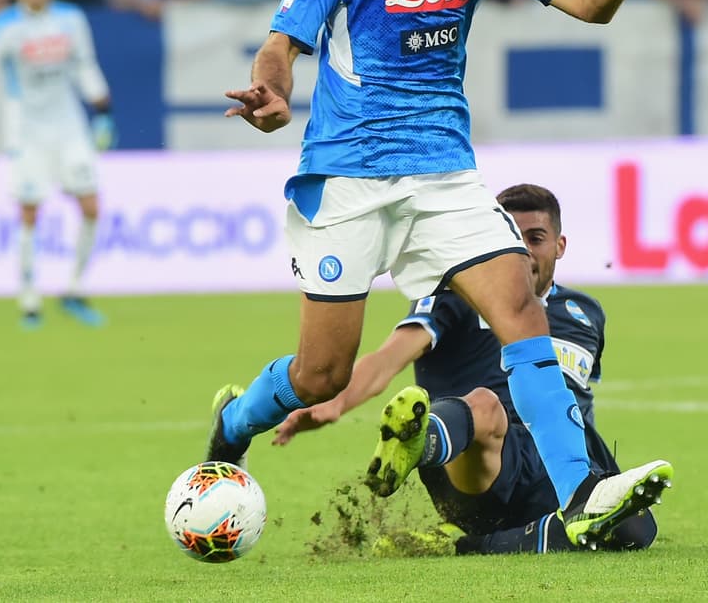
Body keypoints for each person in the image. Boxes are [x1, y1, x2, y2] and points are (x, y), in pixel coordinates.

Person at [206, 0, 676, 549]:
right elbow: (282, 41)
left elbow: (592, 0)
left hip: (444, 172)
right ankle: (231, 422)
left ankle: (583, 494)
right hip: (351, 174)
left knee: (521, 306)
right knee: (321, 374)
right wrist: (271, 92)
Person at [273, 184, 670, 555]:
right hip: (479, 462)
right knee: (485, 404)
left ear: (560, 245)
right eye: (512, 240)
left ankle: (470, 544)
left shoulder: (585, 314)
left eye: (535, 238)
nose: (524, 253)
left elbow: (581, 402)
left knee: (637, 531)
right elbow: (390, 356)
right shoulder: (454, 297)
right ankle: (420, 439)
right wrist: (335, 403)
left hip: (558, 468)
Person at [0, 0, 116, 328]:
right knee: (30, 211)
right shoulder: (2, 27)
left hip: (69, 126)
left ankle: (75, 290)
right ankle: (29, 299)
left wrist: (103, 109)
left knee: (91, 206)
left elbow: (84, 65)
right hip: (25, 132)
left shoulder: (71, 19)